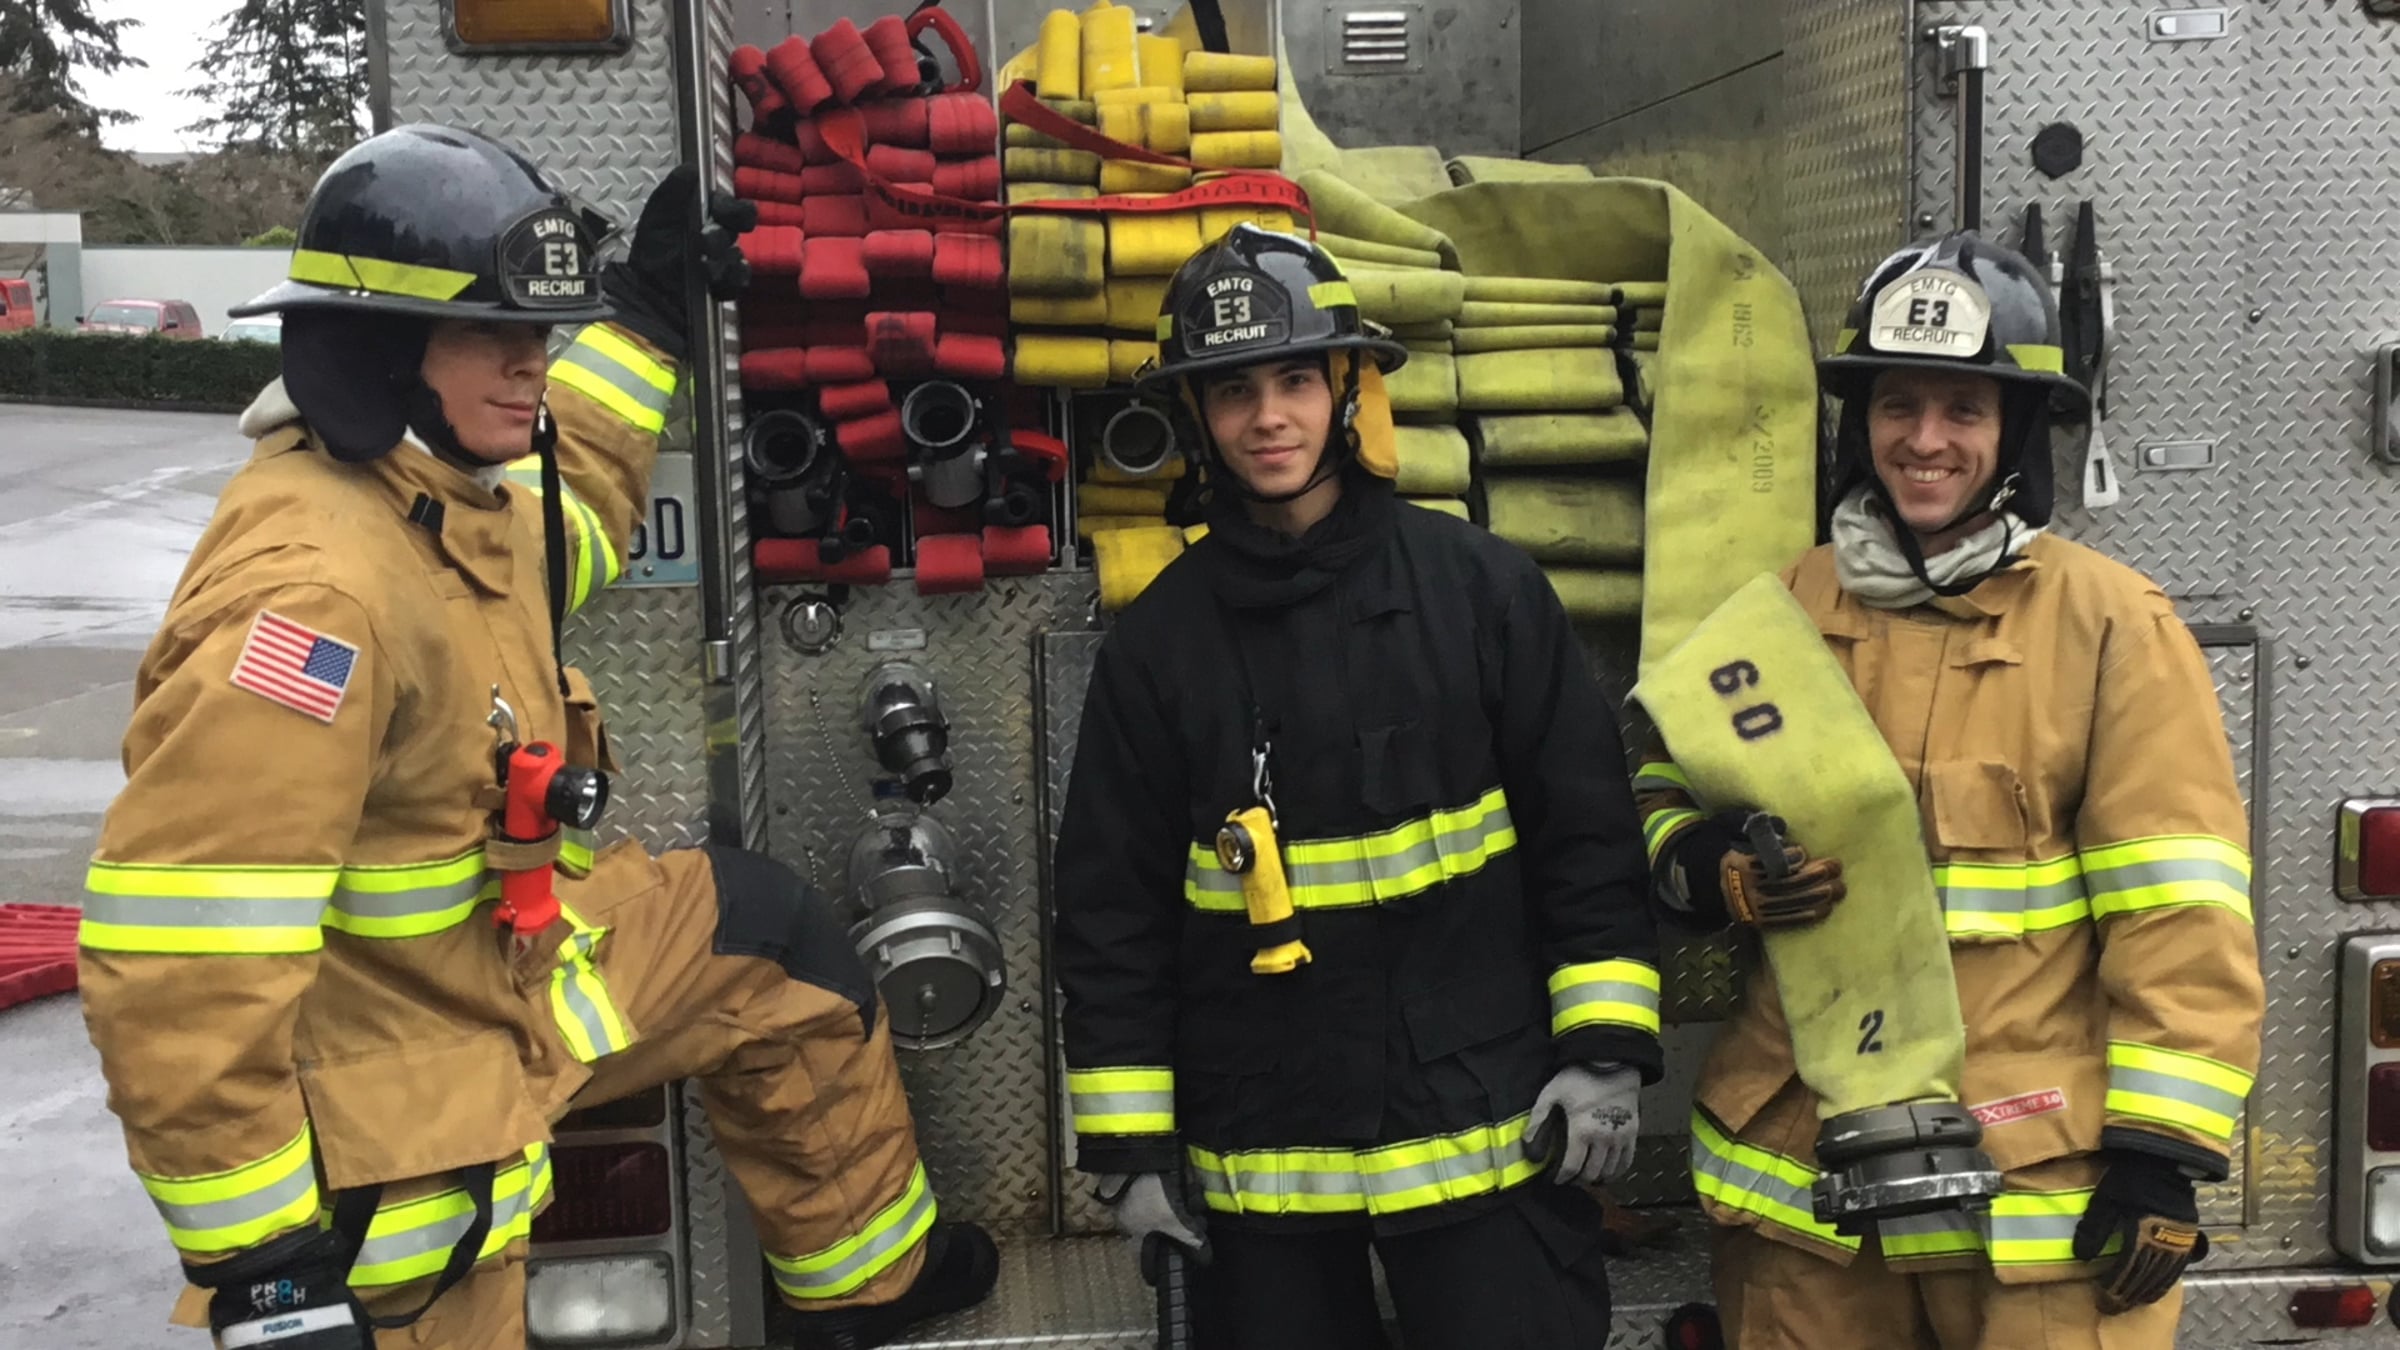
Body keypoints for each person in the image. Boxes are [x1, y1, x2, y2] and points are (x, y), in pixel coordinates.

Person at [76, 124, 995, 1350]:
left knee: (765, 935)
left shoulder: (432, 501)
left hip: (499, 977)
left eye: (539, 333)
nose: (531, 363)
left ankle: (863, 1290)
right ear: (381, 345)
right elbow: (184, 961)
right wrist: (268, 1275)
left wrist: (648, 322)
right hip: (404, 1128)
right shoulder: (312, 600)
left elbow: (572, 518)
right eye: (491, 335)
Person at [1636, 232, 2264, 1348]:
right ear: (1860, 424)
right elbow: (1656, 782)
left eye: (1964, 410)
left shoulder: (2112, 626)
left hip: (2034, 1203)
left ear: (2015, 431)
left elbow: (2180, 909)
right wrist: (1704, 862)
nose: (1926, 441)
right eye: (1898, 405)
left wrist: (2161, 1154)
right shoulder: (1779, 614)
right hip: (1806, 1197)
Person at [1052, 225, 1664, 1349]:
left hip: (1488, 1136)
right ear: (1195, 415)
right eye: (1232, 390)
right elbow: (1110, 916)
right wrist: (1130, 1150)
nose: (1268, 417)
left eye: (1295, 379)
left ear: (1346, 390)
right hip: (1262, 1168)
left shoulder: (1481, 592)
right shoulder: (1159, 649)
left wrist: (1604, 1049)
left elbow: (1586, 838)